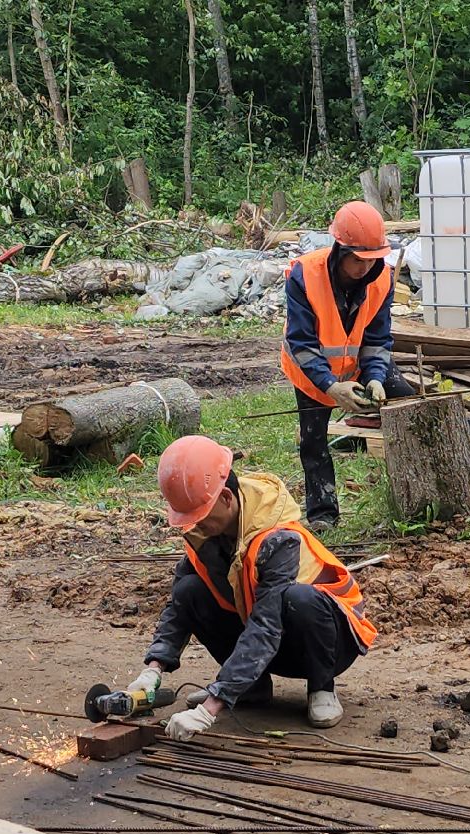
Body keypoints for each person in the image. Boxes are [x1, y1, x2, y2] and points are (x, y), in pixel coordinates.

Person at [124, 435, 378, 738]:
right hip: (271, 642)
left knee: (298, 598)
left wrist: (209, 708)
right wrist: (153, 668)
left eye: (200, 517)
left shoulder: (278, 538)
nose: (194, 526)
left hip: (329, 642)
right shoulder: (207, 533)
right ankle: (251, 689)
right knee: (189, 590)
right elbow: (179, 608)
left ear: (227, 499)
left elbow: (266, 625)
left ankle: (321, 688)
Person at [281, 200, 416, 528]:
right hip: (311, 373)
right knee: (313, 442)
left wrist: (374, 377)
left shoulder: (382, 279)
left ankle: (418, 495)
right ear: (340, 250)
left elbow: (376, 338)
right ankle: (323, 515)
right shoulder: (304, 276)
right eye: (359, 261)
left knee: (411, 406)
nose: (365, 269)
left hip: (356, 366)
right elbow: (302, 344)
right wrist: (330, 386)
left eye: (373, 260)